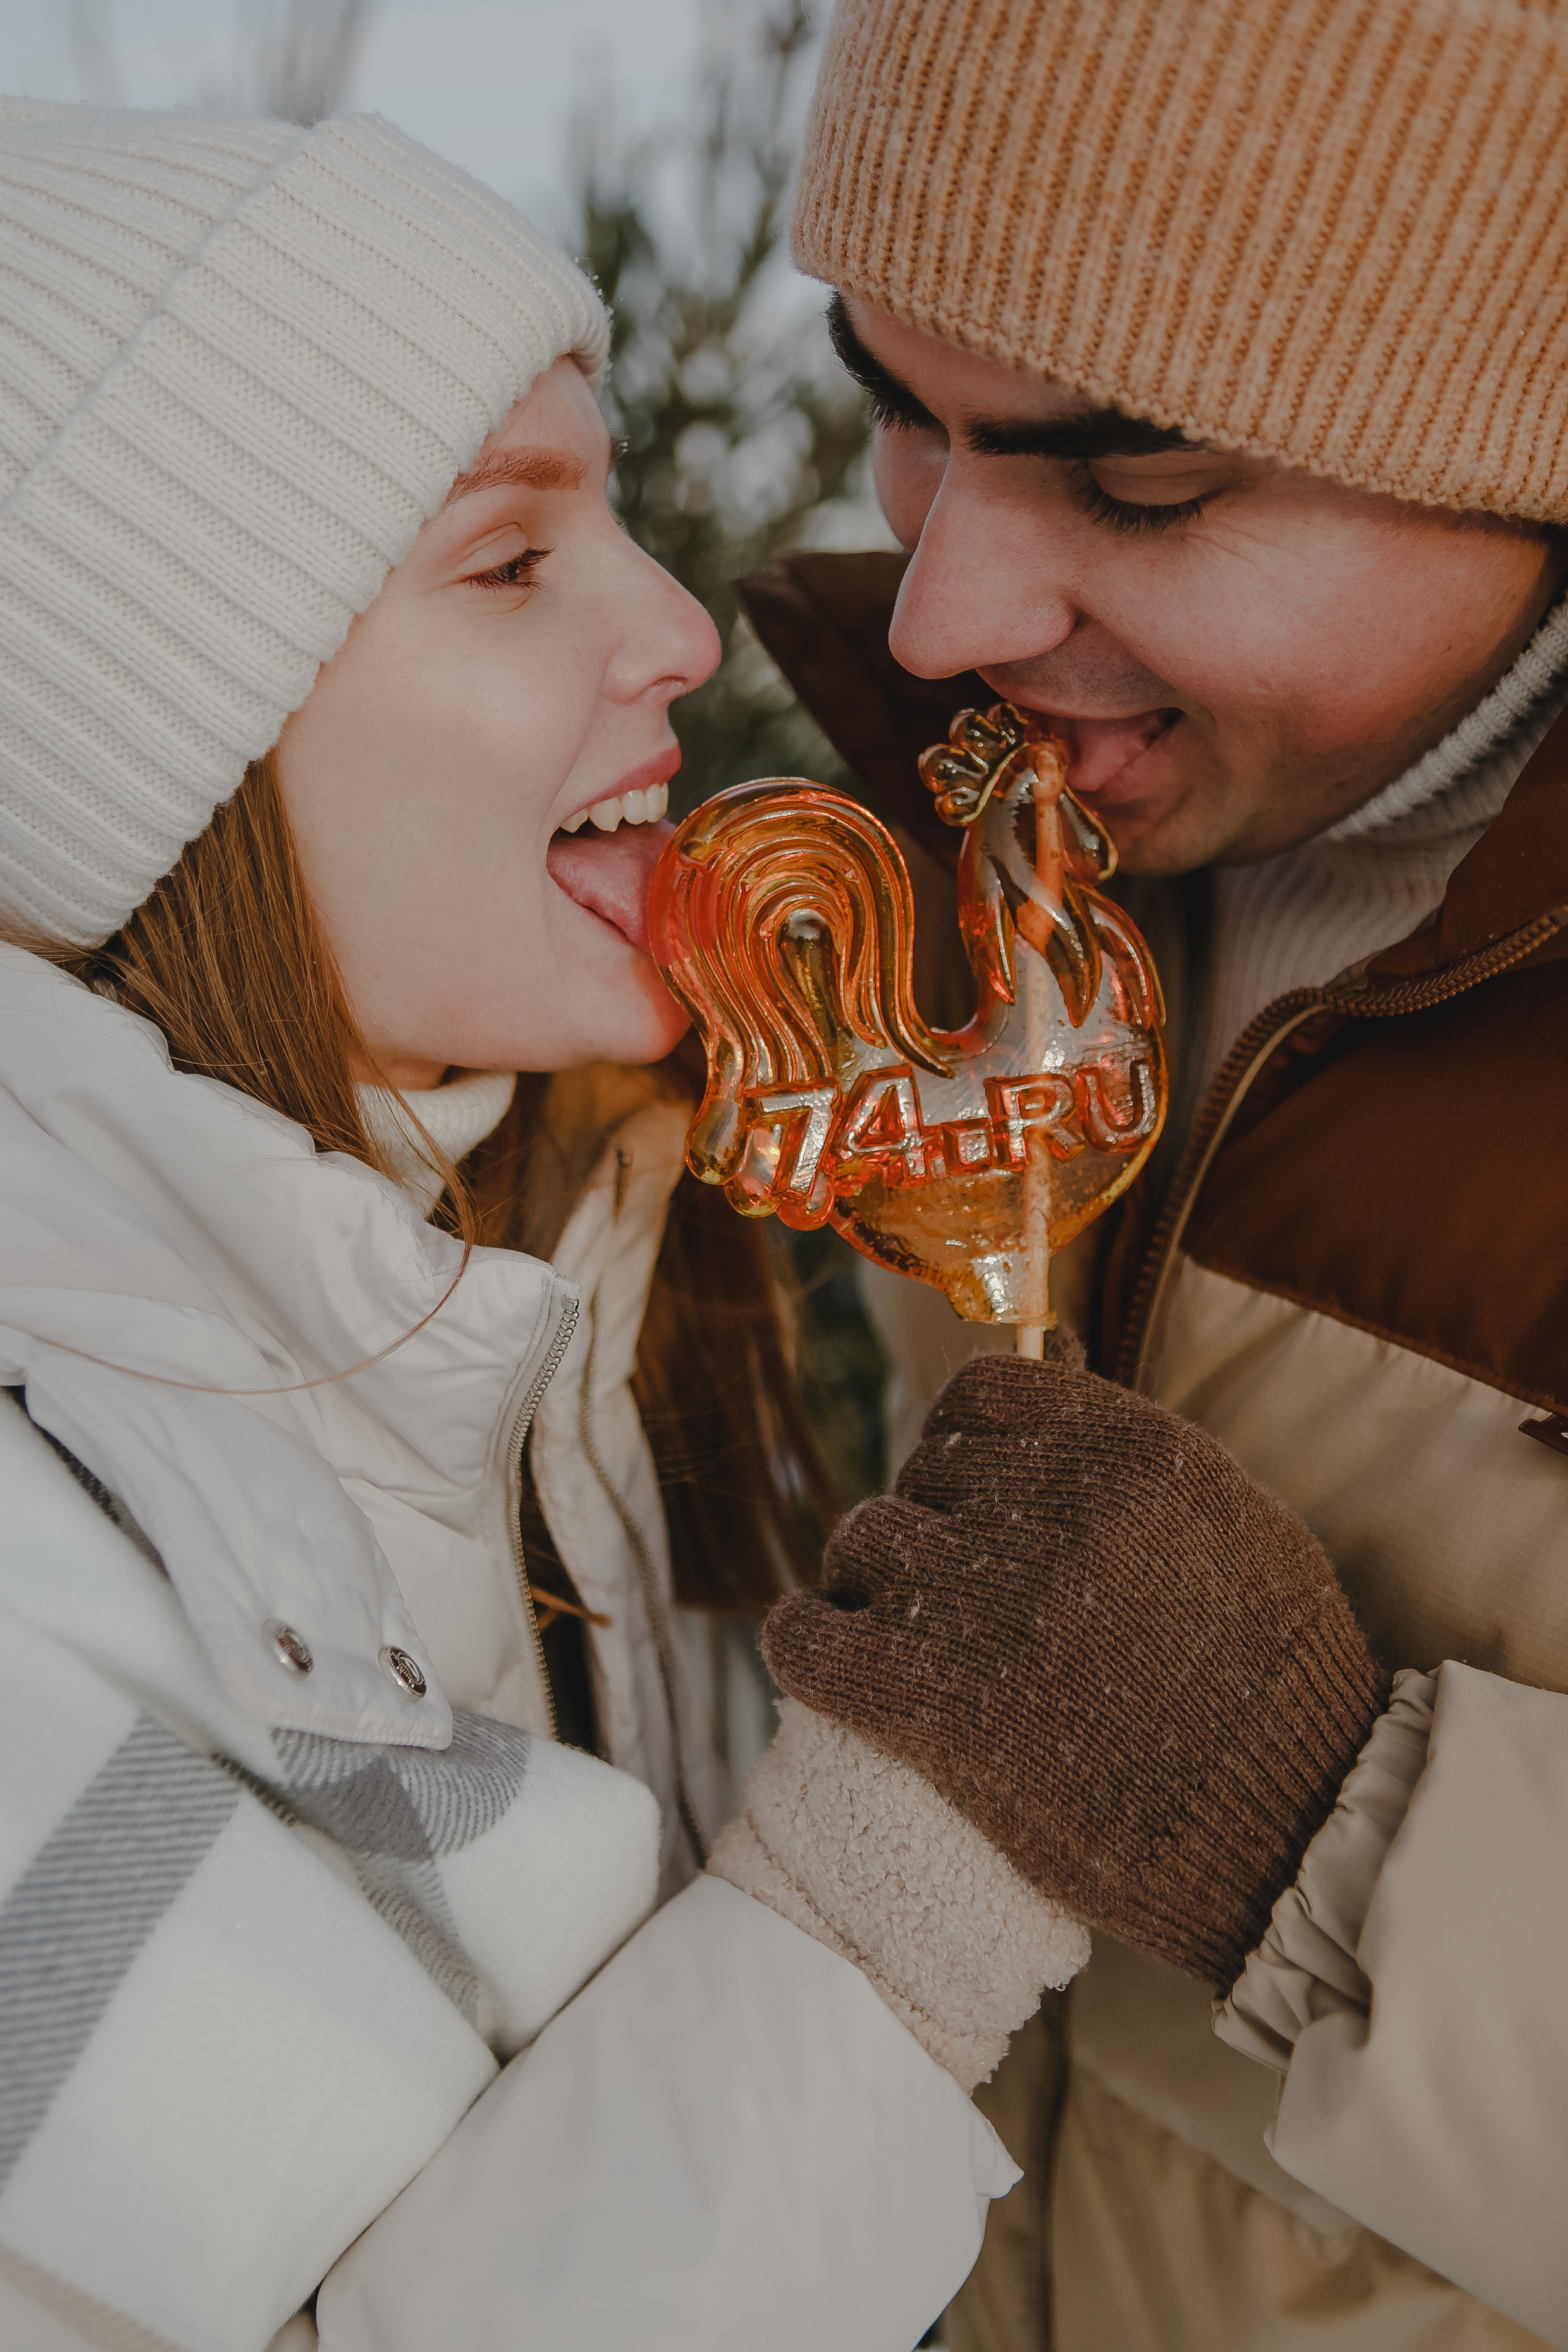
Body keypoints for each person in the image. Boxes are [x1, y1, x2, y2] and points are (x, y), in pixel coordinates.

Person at [0, 98, 1094, 2352]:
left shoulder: (572, 1272)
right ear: (147, 755)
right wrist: (891, 1898)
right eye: (510, 563)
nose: (685, 628)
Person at [727, 1, 1568, 2346]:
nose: (938, 617)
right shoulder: (985, 869)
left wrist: (1318, 1831)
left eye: (1146, 480)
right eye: (901, 404)